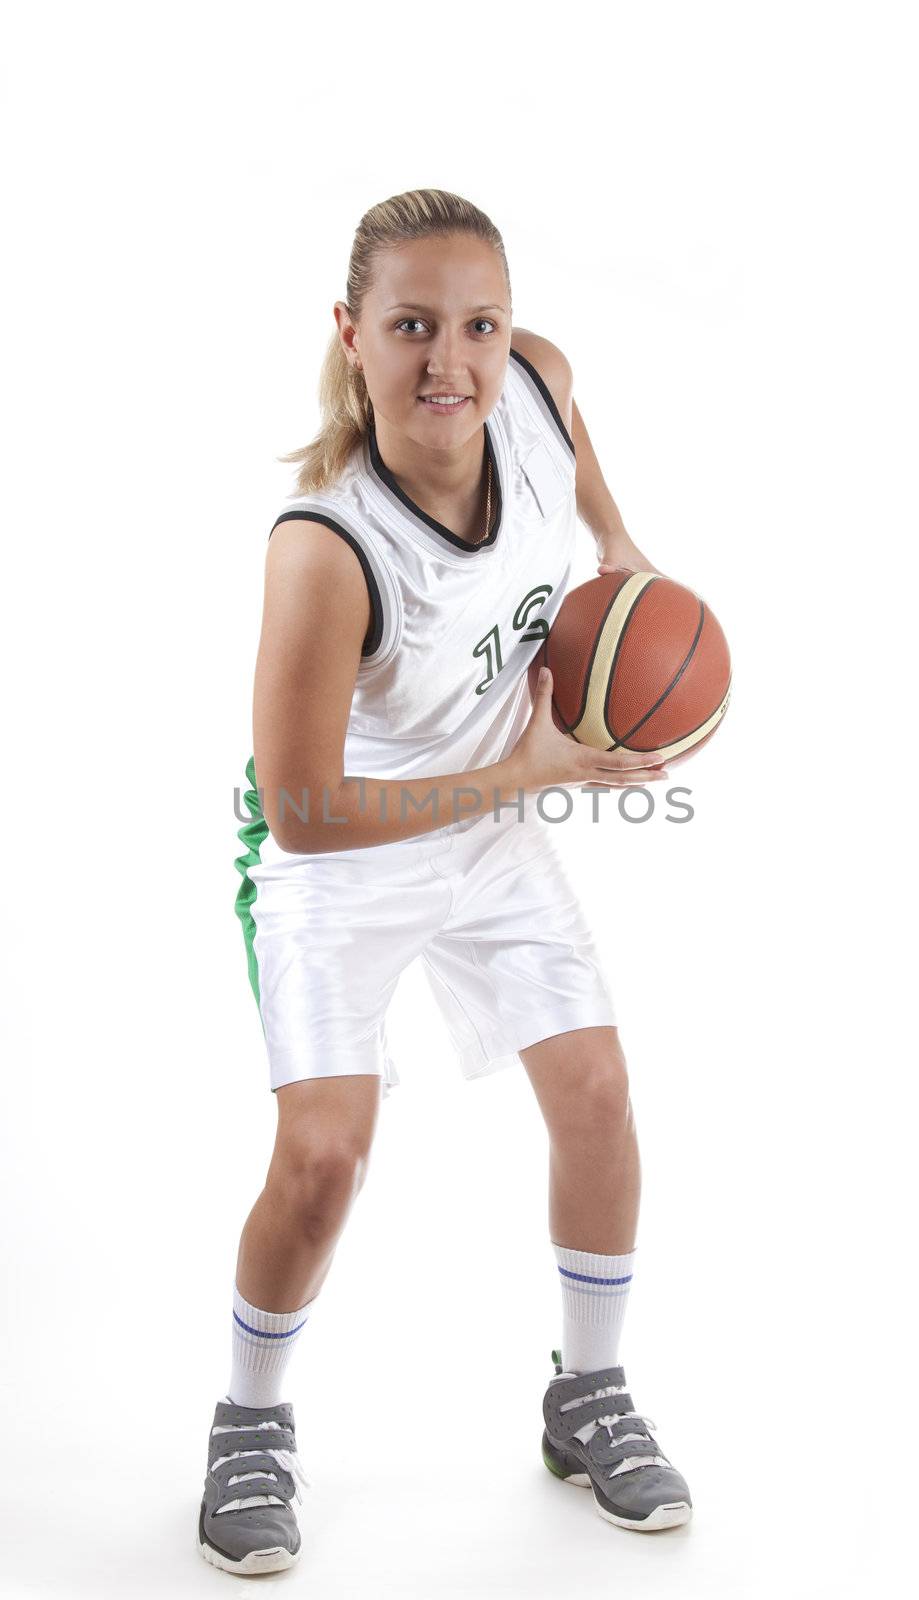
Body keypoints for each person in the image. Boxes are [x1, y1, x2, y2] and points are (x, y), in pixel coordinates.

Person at [198, 188, 692, 1576]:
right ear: (352, 335)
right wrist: (538, 766)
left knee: (596, 1092)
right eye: (412, 327)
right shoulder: (326, 547)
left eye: (477, 324)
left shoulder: (539, 388)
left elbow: (597, 510)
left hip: (488, 826)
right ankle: (248, 1423)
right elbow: (304, 815)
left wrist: (635, 600)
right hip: (339, 853)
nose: (450, 363)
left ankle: (586, 1394)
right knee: (324, 1160)